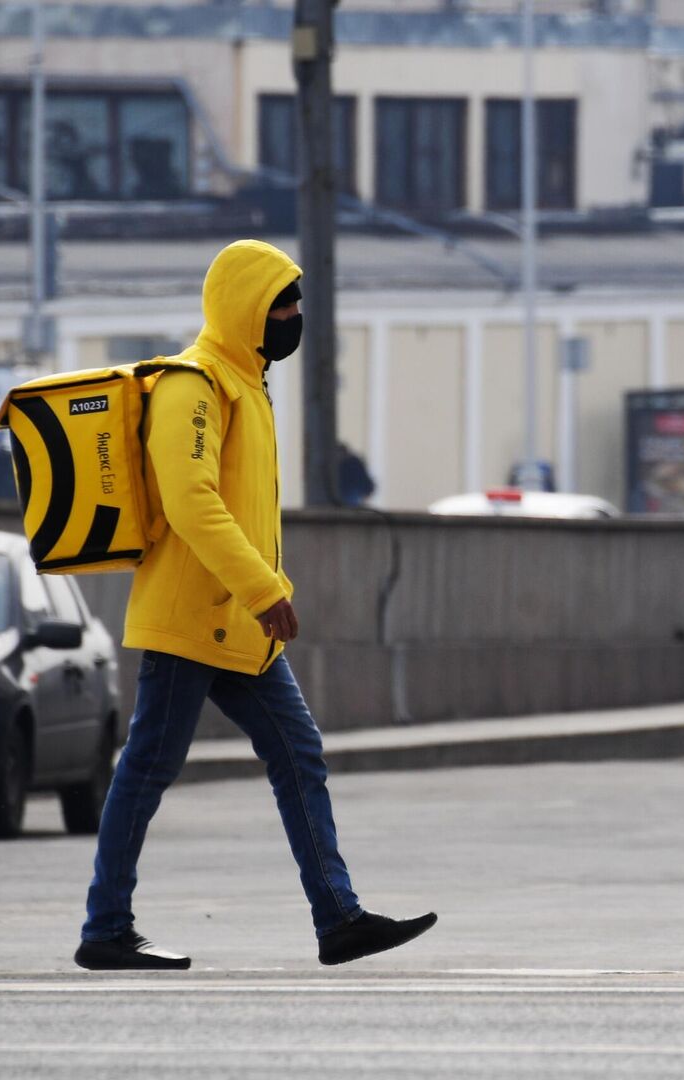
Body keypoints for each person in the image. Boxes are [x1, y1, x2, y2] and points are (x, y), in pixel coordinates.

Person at [75, 240, 436, 971]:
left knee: (296, 753)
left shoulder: (247, 382)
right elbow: (190, 500)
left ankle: (338, 919)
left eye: (297, 303)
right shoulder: (195, 385)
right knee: (147, 768)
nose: (294, 316)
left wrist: (255, 601)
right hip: (190, 618)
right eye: (283, 304)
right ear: (245, 308)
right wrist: (266, 590)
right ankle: (105, 928)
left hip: (236, 625)